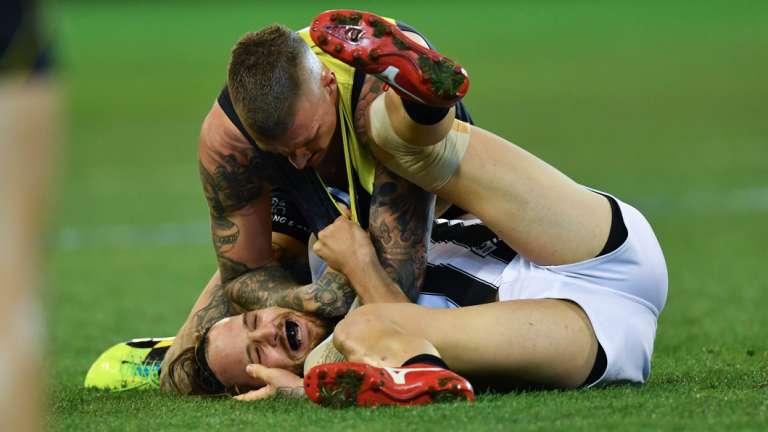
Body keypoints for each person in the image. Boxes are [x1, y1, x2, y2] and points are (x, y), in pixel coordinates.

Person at [220, 10, 668, 407]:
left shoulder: (321, 241)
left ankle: (416, 96)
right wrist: (356, 265)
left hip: (581, 243)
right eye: (256, 354)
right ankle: (415, 372)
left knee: (403, 148)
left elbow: (237, 279)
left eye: (253, 322)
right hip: (584, 334)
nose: (267, 332)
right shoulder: (339, 345)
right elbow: (391, 318)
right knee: (362, 331)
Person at [161, 15, 471, 392]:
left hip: (414, 177)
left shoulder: (371, 103)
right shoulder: (229, 140)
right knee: (178, 377)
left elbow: (395, 299)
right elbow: (242, 276)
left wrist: (353, 266)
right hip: (319, 205)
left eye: (308, 141)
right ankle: (183, 354)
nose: (300, 161)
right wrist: (311, 297)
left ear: (327, 83)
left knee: (357, 337)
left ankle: (425, 108)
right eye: (282, 152)